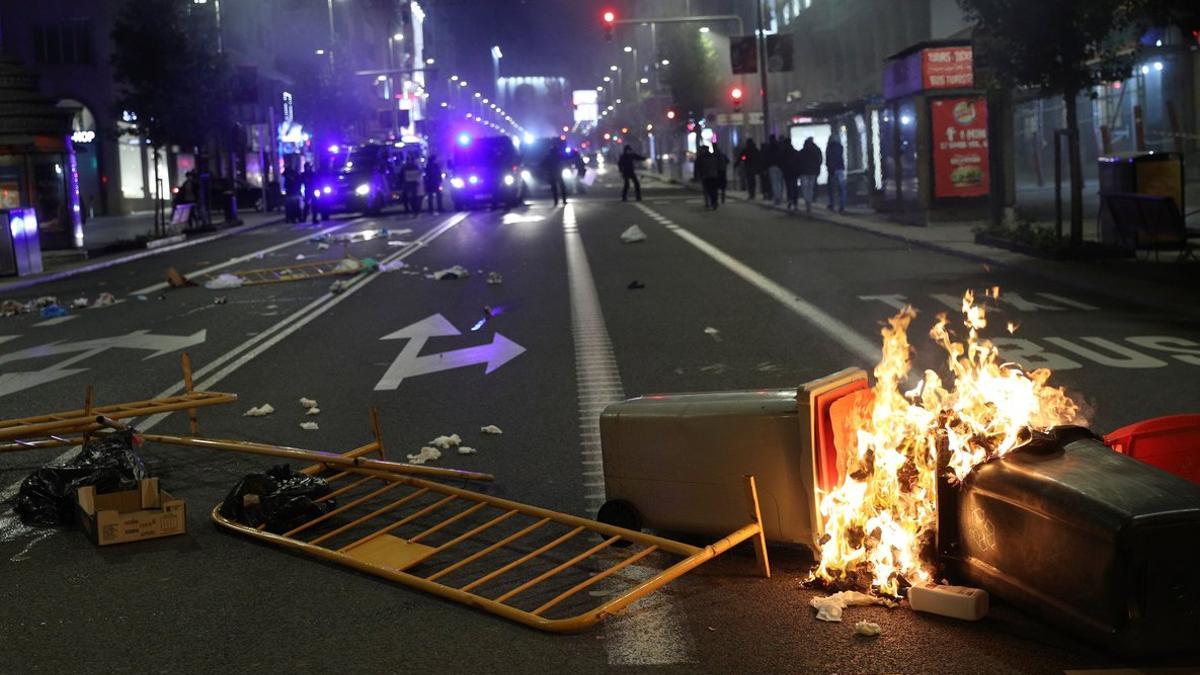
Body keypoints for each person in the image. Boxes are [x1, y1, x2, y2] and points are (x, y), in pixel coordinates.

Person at [797, 137, 823, 215]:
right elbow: (819, 160)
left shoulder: (802, 152)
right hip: (812, 172)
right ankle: (810, 202)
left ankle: (807, 202)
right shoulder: (816, 150)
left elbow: (798, 162)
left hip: (803, 172)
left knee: (805, 188)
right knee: (811, 188)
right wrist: (817, 171)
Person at [826, 134, 847, 213]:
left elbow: (829, 159)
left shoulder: (829, 147)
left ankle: (832, 204)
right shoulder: (840, 147)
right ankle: (842, 205)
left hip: (832, 170)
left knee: (831, 188)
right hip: (840, 169)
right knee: (842, 188)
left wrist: (830, 168)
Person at [696, 145, 719, 209]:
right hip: (714, 175)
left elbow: (698, 167)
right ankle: (714, 202)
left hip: (706, 175)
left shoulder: (700, 157)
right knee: (713, 190)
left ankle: (709, 203)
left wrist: (699, 175)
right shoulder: (713, 156)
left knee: (707, 190)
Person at [764, 135, 784, 206]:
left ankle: (777, 197)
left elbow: (766, 158)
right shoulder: (780, 146)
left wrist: (766, 168)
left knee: (774, 183)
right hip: (780, 167)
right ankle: (780, 197)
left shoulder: (768, 148)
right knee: (779, 182)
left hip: (772, 167)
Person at [782, 139, 801, 211]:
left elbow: (782, 162)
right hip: (794, 172)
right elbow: (798, 161)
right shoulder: (795, 152)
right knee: (794, 187)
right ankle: (795, 203)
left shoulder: (784, 153)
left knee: (789, 187)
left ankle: (790, 200)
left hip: (787, 173)